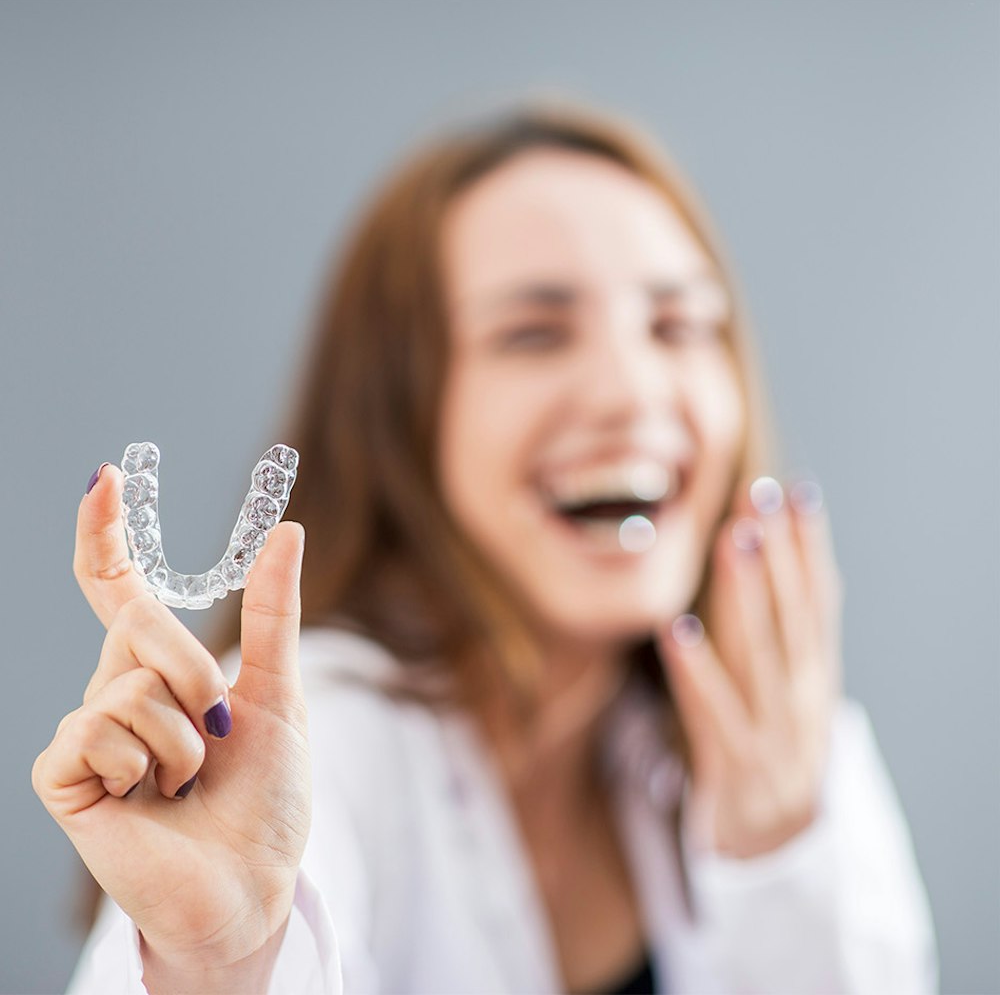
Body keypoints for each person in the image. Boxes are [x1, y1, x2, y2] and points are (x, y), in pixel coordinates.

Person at [34, 100, 939, 994]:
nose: (631, 389)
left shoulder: (779, 742)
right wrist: (218, 967)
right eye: (533, 334)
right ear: (402, 417)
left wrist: (781, 856)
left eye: (678, 326)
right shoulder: (304, 742)